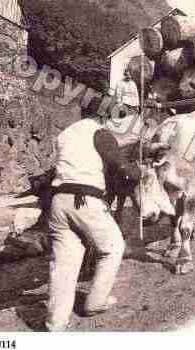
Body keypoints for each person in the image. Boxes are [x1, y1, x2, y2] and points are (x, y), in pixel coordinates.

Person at [45, 98, 142, 331]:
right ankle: (95, 302)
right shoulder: (100, 133)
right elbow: (120, 167)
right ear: (103, 116)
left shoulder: (65, 135)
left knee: (64, 262)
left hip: (58, 202)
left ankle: (56, 322)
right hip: (85, 200)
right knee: (113, 247)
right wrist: (137, 171)